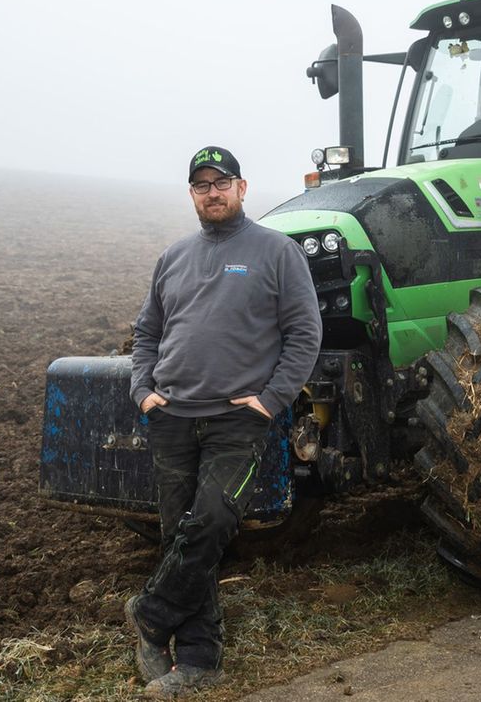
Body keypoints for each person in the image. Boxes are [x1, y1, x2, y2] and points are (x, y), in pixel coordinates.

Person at [124, 145, 321, 697]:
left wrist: (271, 399)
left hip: (237, 421)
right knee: (179, 535)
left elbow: (305, 333)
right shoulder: (174, 257)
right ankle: (197, 660)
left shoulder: (277, 252)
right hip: (172, 417)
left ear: (242, 188)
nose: (212, 192)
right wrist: (143, 392)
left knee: (211, 521)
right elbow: (147, 334)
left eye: (222, 182)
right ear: (192, 195)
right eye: (201, 185)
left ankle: (150, 613)